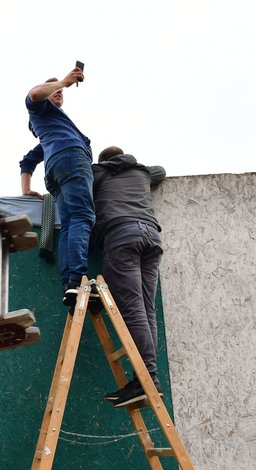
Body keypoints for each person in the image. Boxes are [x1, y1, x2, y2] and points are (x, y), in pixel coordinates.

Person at [92, 147, 167, 407]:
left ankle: (145, 381)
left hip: (122, 235)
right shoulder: (142, 171)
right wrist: (137, 168)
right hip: (152, 237)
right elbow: (162, 171)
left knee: (133, 309)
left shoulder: (97, 173)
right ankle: (149, 379)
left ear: (102, 161)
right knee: (147, 310)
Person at [20, 65, 95, 308]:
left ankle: (70, 284)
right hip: (72, 161)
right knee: (83, 217)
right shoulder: (40, 110)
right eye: (53, 91)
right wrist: (62, 81)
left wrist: (26, 189)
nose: (59, 92)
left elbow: (27, 161)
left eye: (59, 91)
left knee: (70, 224)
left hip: (56, 169)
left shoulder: (51, 134)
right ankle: (78, 277)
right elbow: (33, 95)